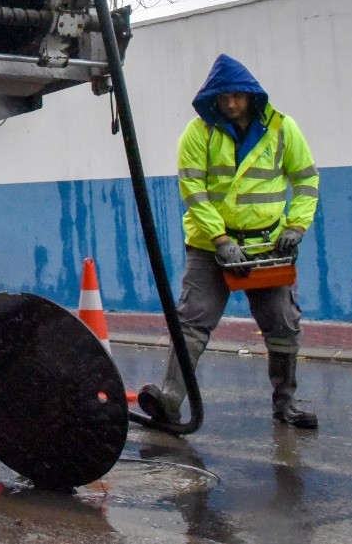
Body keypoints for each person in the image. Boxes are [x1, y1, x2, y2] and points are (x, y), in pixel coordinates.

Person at [137, 54, 321, 429]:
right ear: (214, 98)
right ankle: (170, 398)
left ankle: (286, 404)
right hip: (210, 248)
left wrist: (296, 228)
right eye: (225, 97)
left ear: (252, 96)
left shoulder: (283, 130)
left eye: (238, 96)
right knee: (192, 322)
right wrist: (221, 240)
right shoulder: (198, 133)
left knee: (284, 324)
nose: (232, 103)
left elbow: (305, 181)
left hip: (268, 248)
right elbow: (194, 191)